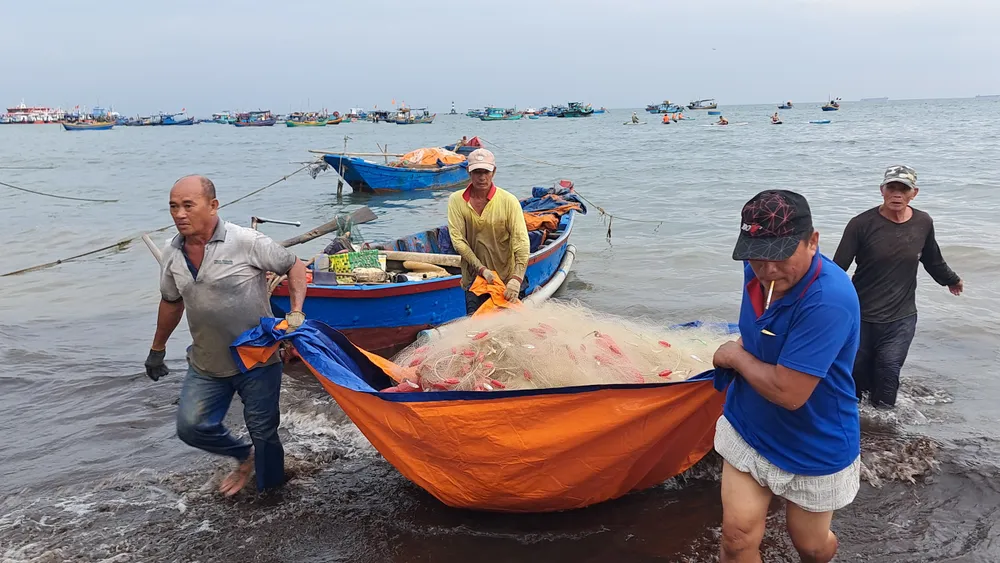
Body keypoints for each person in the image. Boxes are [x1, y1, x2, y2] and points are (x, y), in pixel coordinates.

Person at [712, 190, 861, 563]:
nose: (768, 271)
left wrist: (734, 356)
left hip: (814, 440)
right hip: (750, 424)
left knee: (811, 547)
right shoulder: (758, 268)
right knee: (736, 538)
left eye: (779, 256)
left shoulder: (829, 299)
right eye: (757, 256)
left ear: (813, 241)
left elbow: (789, 393)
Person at [144, 175, 308, 496]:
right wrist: (157, 348)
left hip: (257, 357)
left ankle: (271, 495)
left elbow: (294, 266)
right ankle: (243, 456)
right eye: (173, 207)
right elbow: (171, 301)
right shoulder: (172, 253)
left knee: (264, 432)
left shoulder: (246, 241)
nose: (179, 214)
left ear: (213, 206)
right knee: (190, 427)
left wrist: (296, 313)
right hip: (207, 361)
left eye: (188, 206)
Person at [833, 165, 963, 408]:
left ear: (914, 193)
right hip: (862, 314)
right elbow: (837, 268)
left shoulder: (923, 222)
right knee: (857, 373)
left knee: (888, 368)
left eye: (903, 189)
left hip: (901, 316)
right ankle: (857, 421)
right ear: (881, 190)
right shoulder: (860, 224)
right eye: (891, 187)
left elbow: (932, 259)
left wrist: (951, 280)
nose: (897, 194)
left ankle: (886, 423)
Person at [447, 149, 530, 313]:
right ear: (468, 172)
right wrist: (482, 269)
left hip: (506, 279)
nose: (482, 177)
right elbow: (458, 241)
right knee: (476, 324)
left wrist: (516, 279)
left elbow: (521, 242)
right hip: (475, 280)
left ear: (494, 172)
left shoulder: (508, 201)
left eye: (486, 172)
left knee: (511, 324)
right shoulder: (456, 200)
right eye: (477, 172)